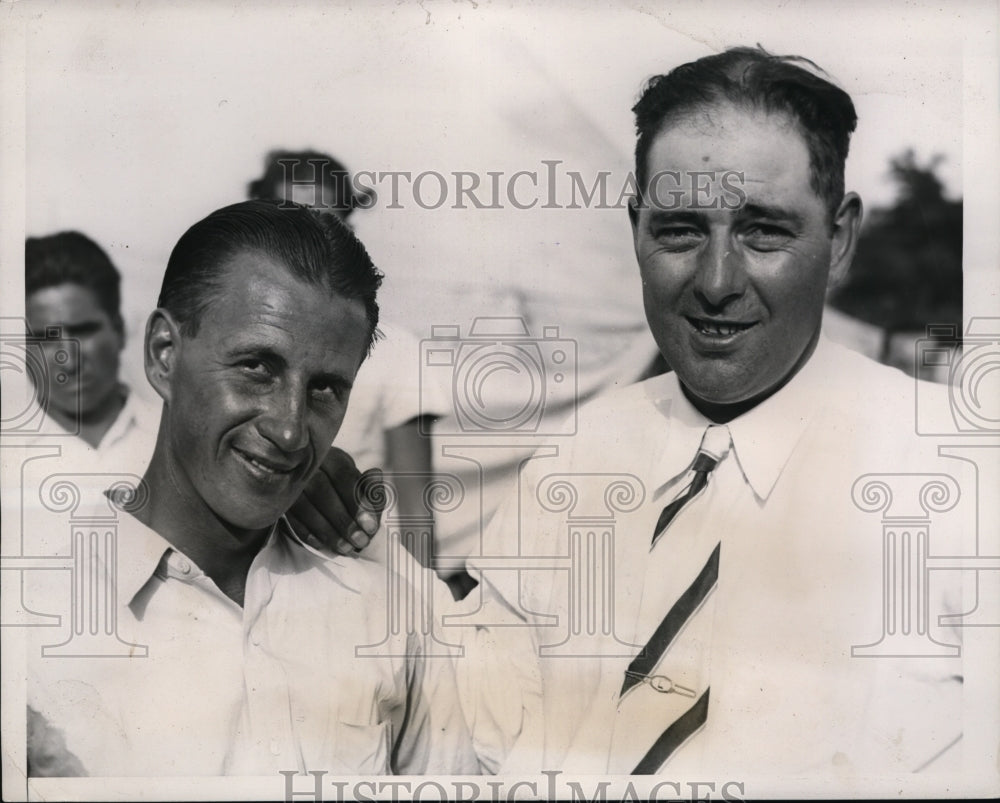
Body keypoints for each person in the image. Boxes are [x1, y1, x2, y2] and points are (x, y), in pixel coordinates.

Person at [457, 46, 971, 779]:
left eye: (763, 230)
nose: (717, 281)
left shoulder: (957, 476)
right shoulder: (565, 470)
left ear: (841, 239)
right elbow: (477, 749)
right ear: (636, 229)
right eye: (680, 229)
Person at [26, 200, 476, 776]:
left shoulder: (396, 610)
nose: (289, 428)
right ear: (164, 354)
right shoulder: (35, 615)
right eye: (257, 367)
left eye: (325, 389)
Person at [247, 150, 458, 589]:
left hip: (350, 580)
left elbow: (417, 512)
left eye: (326, 222)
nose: (310, 242)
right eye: (292, 223)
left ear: (346, 229)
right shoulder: (233, 342)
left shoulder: (395, 351)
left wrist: (423, 611)